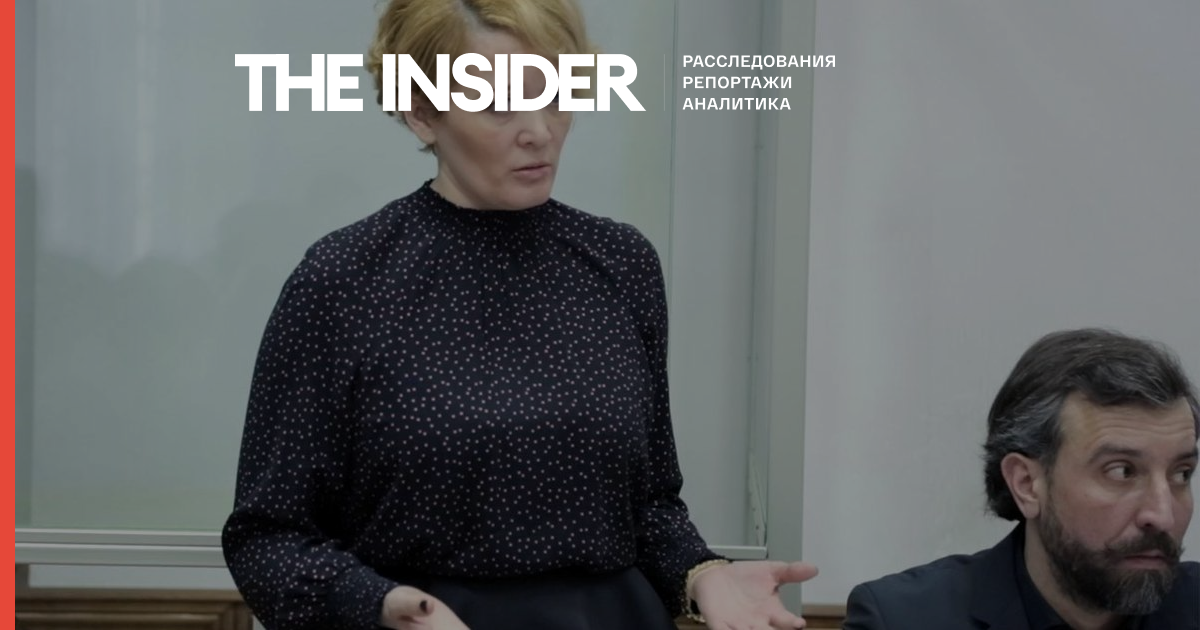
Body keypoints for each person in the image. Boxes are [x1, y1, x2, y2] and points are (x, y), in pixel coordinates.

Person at [221, 1, 817, 629]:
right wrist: (379, 606)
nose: (539, 130)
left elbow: (650, 508)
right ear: (420, 111)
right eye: (500, 105)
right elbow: (266, 538)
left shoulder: (621, 263)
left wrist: (703, 575)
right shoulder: (345, 279)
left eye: (555, 94)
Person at [843, 328, 1199, 630]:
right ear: (1027, 484)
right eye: (1122, 471)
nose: (1163, 515)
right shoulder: (903, 619)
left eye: (1181, 473)